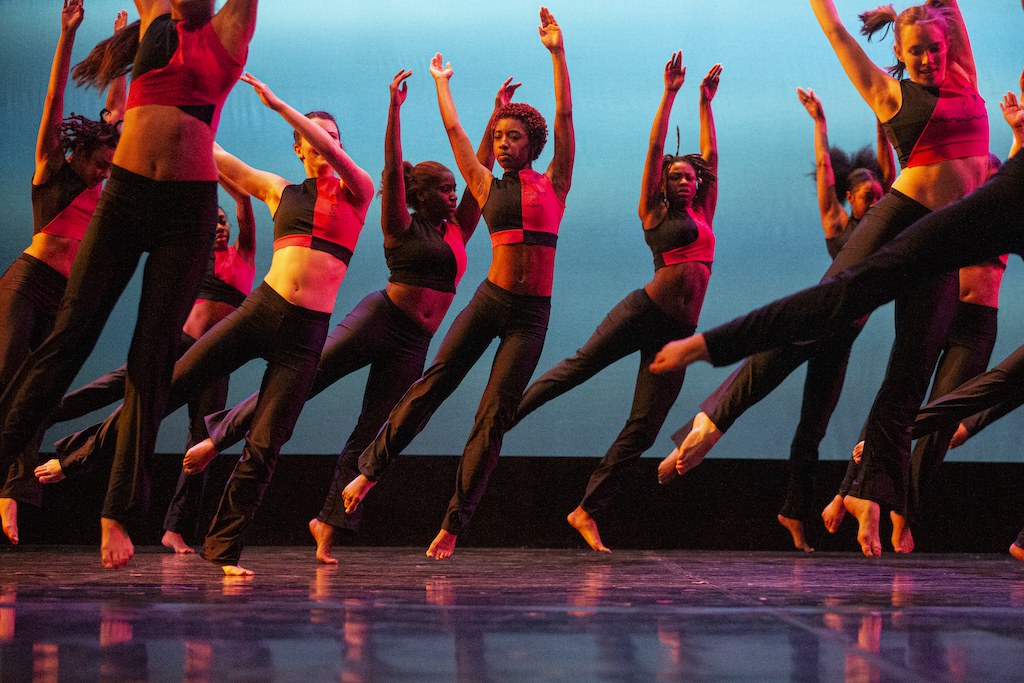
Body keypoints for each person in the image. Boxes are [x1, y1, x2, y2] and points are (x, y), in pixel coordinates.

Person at [655, 0, 990, 557]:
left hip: (944, 244)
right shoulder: (891, 94)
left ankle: (867, 494)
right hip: (901, 220)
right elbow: (835, 29)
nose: (929, 59)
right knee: (819, 316)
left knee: (911, 375)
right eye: (917, 53)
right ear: (900, 54)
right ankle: (712, 420)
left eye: (936, 49)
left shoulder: (965, 78)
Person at [182, 70, 512, 564]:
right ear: (421, 195)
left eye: (453, 189)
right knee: (307, 379)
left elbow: (477, 169)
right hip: (379, 320)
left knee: (374, 431)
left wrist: (493, 117)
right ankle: (218, 436)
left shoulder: (458, 229)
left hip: (415, 341)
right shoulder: (400, 222)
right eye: (444, 188)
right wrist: (394, 110)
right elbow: (392, 171)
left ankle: (327, 523)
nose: (453, 194)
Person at [52, 72, 374, 575]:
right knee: (168, 385)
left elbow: (333, 153)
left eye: (333, 137)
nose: (326, 143)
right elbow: (214, 155)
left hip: (306, 332)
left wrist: (278, 105)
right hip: (263, 310)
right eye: (315, 137)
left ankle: (223, 551)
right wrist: (160, 115)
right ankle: (76, 456)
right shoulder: (280, 190)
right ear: (298, 149)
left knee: (265, 445)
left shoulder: (359, 191)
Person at [342, 6, 575, 561]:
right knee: (434, 384)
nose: (502, 143)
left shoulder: (555, 182)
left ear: (533, 144)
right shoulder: (485, 184)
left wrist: (557, 53)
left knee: (492, 419)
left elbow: (565, 115)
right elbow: (455, 132)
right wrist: (441, 83)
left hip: (530, 318)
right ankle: (370, 471)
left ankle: (452, 524)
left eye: (513, 137)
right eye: (498, 136)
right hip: (491, 302)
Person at [509, 52, 720, 553]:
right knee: (579, 368)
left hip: (678, 336)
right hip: (642, 312)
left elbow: (711, 159)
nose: (685, 180)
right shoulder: (654, 212)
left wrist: (705, 104)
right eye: (676, 176)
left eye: (690, 176)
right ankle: (502, 419)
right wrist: (670, 94)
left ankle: (586, 509)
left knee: (644, 429)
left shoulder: (705, 211)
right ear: (663, 184)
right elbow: (655, 149)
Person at [676, 85, 891, 553]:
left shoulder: (889, 227)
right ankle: (699, 431)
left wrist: (883, 118)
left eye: (880, 196)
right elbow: (825, 175)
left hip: (841, 340)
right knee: (761, 369)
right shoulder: (840, 227)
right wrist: (819, 122)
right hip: (819, 321)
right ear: (849, 198)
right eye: (867, 197)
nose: (876, 202)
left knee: (814, 428)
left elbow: (890, 170)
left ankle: (793, 512)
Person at [33, 176, 257, 555]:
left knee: (203, 442)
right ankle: (40, 418)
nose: (220, 226)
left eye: (224, 222)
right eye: (213, 222)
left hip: (216, 360)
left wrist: (213, 168)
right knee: (119, 392)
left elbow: (245, 202)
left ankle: (176, 529)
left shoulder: (243, 256)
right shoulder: (197, 259)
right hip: (179, 348)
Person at [823, 154, 1008, 545]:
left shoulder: (1006, 216)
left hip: (976, 328)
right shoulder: (956, 211)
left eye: (995, 176)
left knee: (940, 422)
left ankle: (903, 512)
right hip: (944, 310)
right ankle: (847, 490)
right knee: (899, 395)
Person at [0, 0, 124, 546]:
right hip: (27, 284)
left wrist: (119, 55)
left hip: (64, 298)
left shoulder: (103, 188)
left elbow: (117, 114)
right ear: (83, 149)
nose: (104, 172)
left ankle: (11, 492)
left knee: (38, 395)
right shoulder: (52, 169)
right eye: (100, 162)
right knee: (7, 375)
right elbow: (54, 103)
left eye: (111, 166)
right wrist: (68, 35)